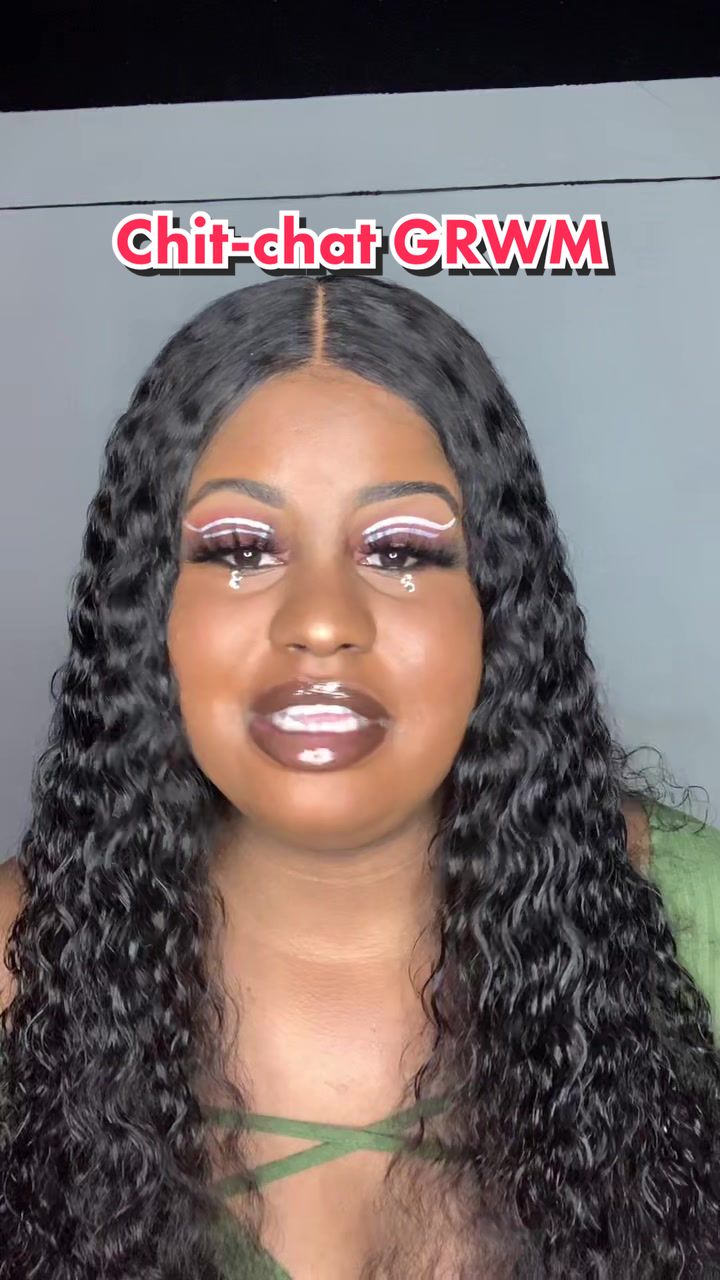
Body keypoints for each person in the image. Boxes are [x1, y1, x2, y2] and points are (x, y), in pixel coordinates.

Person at [0, 274, 718, 1280]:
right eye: (241, 548)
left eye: (402, 550)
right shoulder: (17, 965)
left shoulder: (696, 915)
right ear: (148, 611)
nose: (323, 620)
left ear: (498, 607)